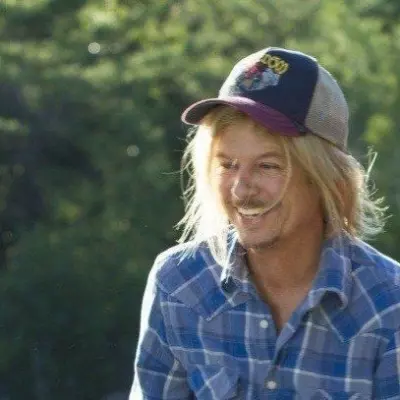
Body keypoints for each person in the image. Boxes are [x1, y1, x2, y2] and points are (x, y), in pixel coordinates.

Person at [129, 47, 400, 399]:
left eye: (268, 166)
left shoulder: (389, 305)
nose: (241, 189)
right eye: (227, 165)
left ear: (328, 181)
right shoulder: (179, 284)